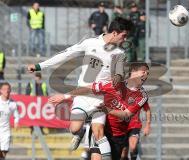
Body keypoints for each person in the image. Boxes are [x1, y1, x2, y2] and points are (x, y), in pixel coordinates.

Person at [28, 17, 133, 160]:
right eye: (124, 35)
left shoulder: (119, 53)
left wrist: (118, 78)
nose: (125, 39)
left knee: (99, 132)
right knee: (74, 128)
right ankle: (80, 133)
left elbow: (119, 73)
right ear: (114, 33)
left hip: (101, 98)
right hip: (83, 94)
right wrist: (40, 66)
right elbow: (66, 53)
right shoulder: (90, 43)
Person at [49, 62, 150, 160]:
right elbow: (89, 88)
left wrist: (108, 110)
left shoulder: (142, 96)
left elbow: (126, 114)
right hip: (102, 128)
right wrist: (65, 96)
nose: (146, 75)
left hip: (118, 135)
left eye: (147, 73)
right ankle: (84, 129)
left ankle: (85, 126)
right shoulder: (115, 84)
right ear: (133, 71)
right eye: (144, 71)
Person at [0, 82, 19, 159]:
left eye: (8, 89)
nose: (6, 91)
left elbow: (16, 115)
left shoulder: (12, 104)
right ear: (1, 91)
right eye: (4, 89)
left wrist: (16, 122)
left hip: (5, 130)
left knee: (4, 150)